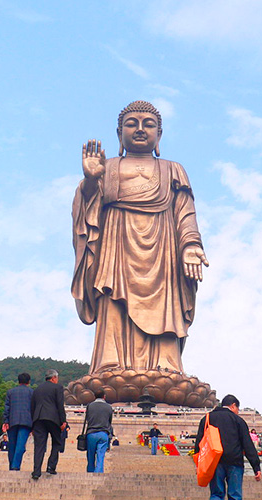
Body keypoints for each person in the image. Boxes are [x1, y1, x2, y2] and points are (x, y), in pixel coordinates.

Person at [72, 101, 209, 375]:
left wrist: (191, 245)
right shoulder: (107, 167)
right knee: (111, 298)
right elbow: (86, 213)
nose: (140, 129)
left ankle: (167, 368)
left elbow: (185, 212)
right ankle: (109, 365)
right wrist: (90, 181)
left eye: (148, 124)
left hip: (163, 252)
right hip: (115, 246)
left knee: (165, 307)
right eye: (131, 124)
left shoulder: (173, 169)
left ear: (159, 134)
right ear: (118, 133)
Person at [194, 394, 261, 500]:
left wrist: (198, 464)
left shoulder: (207, 418)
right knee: (235, 495)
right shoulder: (238, 420)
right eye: (238, 409)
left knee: (216, 494)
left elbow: (199, 443)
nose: (238, 412)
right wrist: (256, 467)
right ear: (233, 406)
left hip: (214, 461)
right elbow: (248, 445)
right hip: (235, 462)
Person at [30, 369, 67, 480]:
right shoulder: (58, 387)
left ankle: (36, 471)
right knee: (56, 442)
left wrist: (33, 424)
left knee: (39, 446)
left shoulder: (37, 389)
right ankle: (51, 466)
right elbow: (60, 405)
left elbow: (32, 407)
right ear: (54, 378)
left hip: (38, 419)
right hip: (53, 419)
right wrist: (63, 421)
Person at [2, 372, 34, 471]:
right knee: (20, 445)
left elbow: (7, 408)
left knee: (12, 445)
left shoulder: (11, 392)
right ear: (29, 381)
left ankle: (12, 465)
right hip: (26, 422)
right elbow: (34, 409)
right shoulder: (32, 392)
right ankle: (15, 466)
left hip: (12, 421)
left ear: (18, 381)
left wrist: (5, 421)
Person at [84, 389, 113, 473]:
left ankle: (90, 472)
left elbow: (88, 419)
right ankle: (98, 473)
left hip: (91, 433)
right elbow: (109, 422)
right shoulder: (109, 407)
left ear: (94, 396)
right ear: (104, 396)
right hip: (103, 433)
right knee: (100, 456)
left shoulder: (90, 406)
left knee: (90, 455)